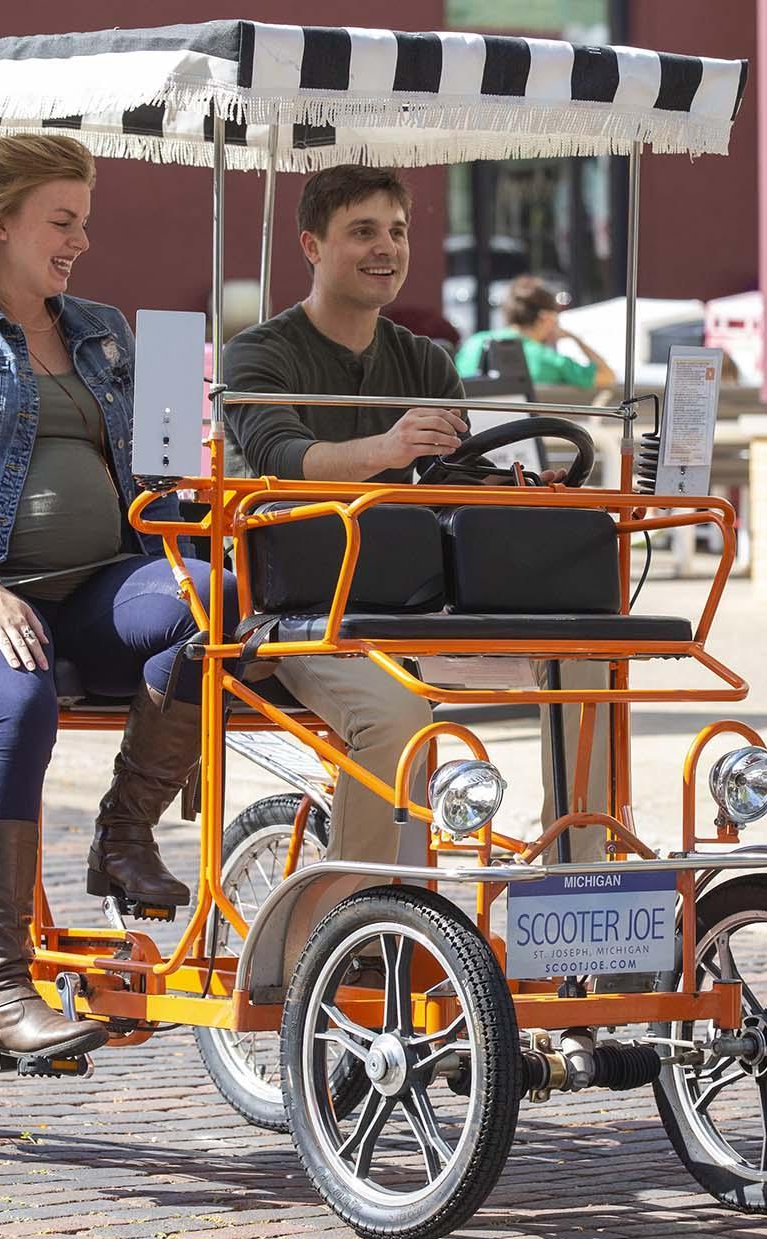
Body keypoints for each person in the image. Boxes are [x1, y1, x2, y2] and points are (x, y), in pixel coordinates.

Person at [0, 134, 210, 1059]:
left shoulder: (105, 330)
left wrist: (192, 468)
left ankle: (123, 837)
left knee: (213, 604)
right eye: (62, 222)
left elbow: (159, 481)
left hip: (91, 589)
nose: (80, 242)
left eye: (84, 223)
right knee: (16, 702)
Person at [224, 165, 612, 950]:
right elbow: (279, 455)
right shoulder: (258, 353)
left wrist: (524, 488)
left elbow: (453, 483)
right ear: (311, 245)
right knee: (397, 714)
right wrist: (387, 447)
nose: (386, 248)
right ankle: (343, 935)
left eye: (397, 232)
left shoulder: (425, 360)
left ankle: (577, 900)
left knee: (588, 663)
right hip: (301, 609)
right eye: (363, 232)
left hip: (417, 602)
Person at [454, 275, 617, 392]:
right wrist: (575, 339)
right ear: (546, 318)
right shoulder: (549, 360)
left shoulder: (473, 343)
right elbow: (607, 376)